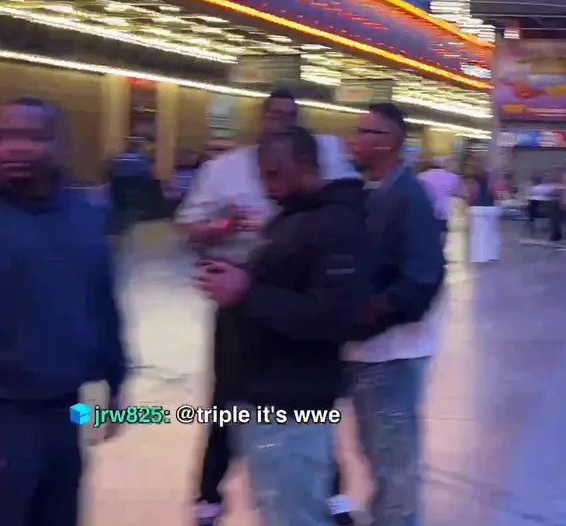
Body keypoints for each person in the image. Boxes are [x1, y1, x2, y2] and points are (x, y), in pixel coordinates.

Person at [176, 88, 361, 526]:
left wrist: (247, 290)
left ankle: (331, 494)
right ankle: (210, 490)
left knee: (293, 496)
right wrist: (224, 236)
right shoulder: (257, 191)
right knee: (228, 407)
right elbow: (187, 226)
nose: (265, 185)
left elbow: (330, 316)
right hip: (262, 357)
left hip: (292, 390)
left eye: (274, 174)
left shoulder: (328, 220)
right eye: (274, 114)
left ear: (305, 162)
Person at [0, 97, 128, 526]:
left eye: (32, 136)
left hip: (65, 409)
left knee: (58, 513)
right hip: (6, 410)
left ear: (60, 146)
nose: (15, 147)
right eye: (5, 136)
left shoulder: (85, 217)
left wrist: (116, 381)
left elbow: (102, 303)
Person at [344, 103, 446, 526]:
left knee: (393, 461)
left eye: (363, 132)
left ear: (387, 142)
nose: (353, 139)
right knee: (378, 452)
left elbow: (422, 279)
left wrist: (364, 319)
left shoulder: (407, 196)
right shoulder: (376, 191)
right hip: (373, 353)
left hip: (391, 355)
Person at [417, 156, 461, 246]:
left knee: (427, 234)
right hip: (443, 211)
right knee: (442, 233)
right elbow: (457, 193)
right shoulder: (452, 177)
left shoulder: (421, 176)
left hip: (427, 210)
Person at [466, 164, 501, 263]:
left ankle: (478, 256)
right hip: (491, 208)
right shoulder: (492, 182)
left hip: (476, 209)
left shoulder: (473, 182)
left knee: (477, 234)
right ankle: (492, 255)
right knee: (491, 232)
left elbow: (471, 195)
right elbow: (496, 194)